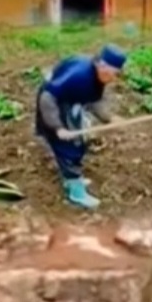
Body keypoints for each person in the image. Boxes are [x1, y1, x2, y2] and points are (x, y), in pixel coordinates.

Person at [35, 45, 127, 210]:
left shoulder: (97, 76)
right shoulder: (79, 76)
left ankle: (72, 178)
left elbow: (93, 100)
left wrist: (110, 118)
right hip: (54, 104)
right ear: (102, 67)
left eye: (117, 74)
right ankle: (75, 191)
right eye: (113, 74)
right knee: (68, 146)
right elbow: (47, 97)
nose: (114, 79)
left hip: (69, 102)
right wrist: (58, 127)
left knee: (79, 139)